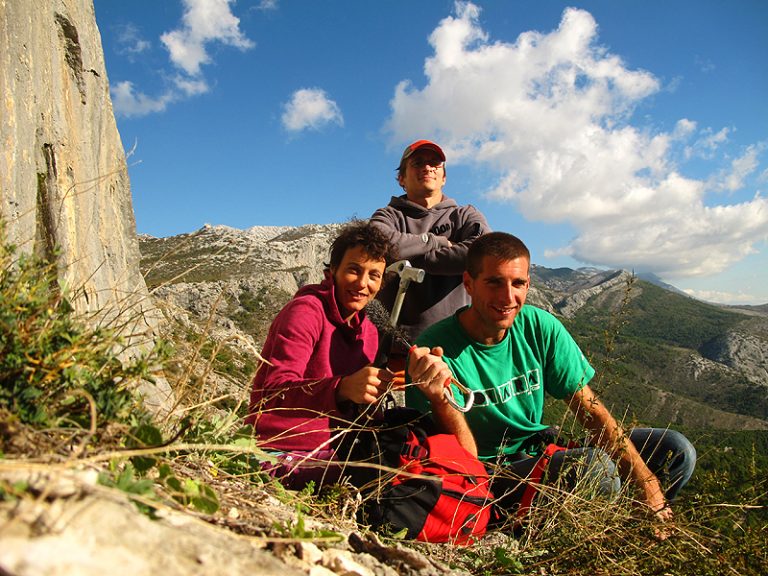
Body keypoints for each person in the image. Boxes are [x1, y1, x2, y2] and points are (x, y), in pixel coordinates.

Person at [406, 231, 696, 533]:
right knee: (597, 469)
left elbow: (591, 411)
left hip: (540, 453)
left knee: (676, 450)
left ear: (528, 284)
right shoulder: (437, 350)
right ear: (469, 283)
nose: (508, 297)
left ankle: (638, 529)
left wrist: (647, 485)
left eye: (518, 283)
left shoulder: (538, 326)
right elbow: (460, 464)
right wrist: (440, 399)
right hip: (489, 477)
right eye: (494, 282)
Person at [245, 221, 471, 489]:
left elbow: (355, 409)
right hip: (283, 449)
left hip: (340, 446)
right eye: (354, 270)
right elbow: (272, 394)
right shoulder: (305, 312)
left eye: (374, 275)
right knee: (397, 479)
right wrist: (341, 388)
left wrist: (375, 395)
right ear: (334, 271)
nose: (363, 283)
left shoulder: (369, 330)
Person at [370, 139, 491, 341]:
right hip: (395, 349)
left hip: (457, 347)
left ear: (444, 178)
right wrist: (437, 242)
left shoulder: (466, 215)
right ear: (401, 178)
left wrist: (409, 262)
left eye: (435, 163)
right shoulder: (387, 216)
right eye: (417, 163)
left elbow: (482, 254)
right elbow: (378, 244)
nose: (427, 167)